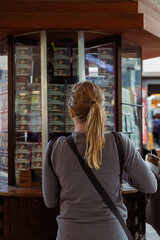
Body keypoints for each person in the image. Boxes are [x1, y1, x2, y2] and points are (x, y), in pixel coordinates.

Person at [42, 81, 157, 240]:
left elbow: (50, 201)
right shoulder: (119, 143)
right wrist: (123, 173)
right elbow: (150, 185)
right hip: (112, 234)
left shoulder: (54, 148)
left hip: (70, 234)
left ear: (71, 112)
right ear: (103, 110)